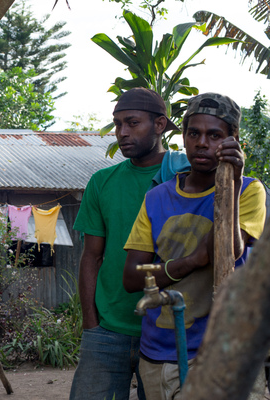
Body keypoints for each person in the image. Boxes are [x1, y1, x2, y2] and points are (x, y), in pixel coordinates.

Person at [123, 93, 266, 400]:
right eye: (194, 133)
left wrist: (233, 182)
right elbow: (133, 277)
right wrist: (189, 261)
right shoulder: (157, 198)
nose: (202, 143)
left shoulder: (250, 191)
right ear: (184, 138)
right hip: (160, 355)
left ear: (232, 141)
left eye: (215, 135)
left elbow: (230, 252)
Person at [70, 87, 190, 400]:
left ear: (160, 125)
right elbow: (91, 257)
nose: (122, 132)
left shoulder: (186, 175)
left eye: (133, 123)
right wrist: (91, 324)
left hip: (169, 328)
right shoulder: (102, 182)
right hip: (109, 330)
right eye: (118, 124)